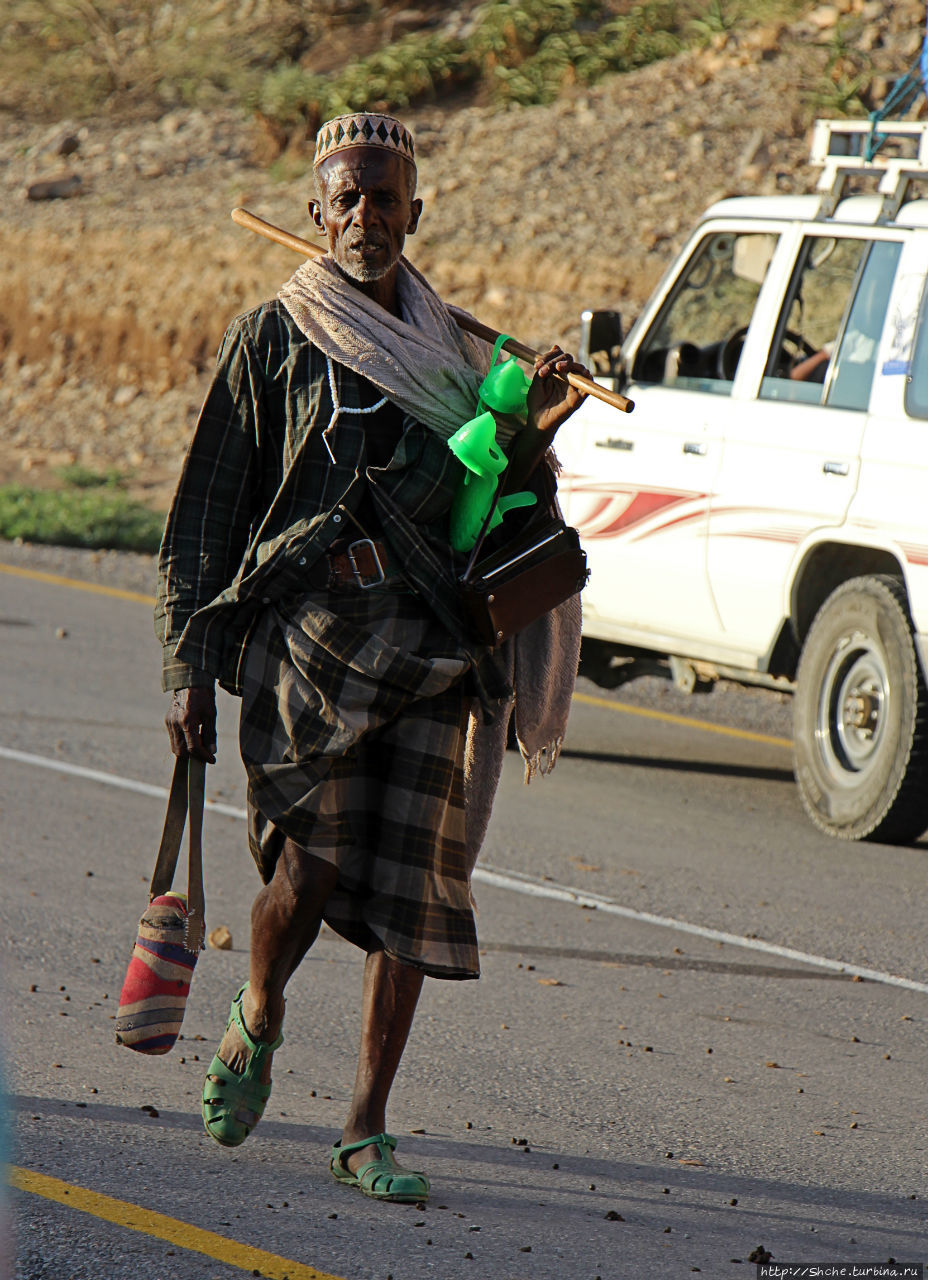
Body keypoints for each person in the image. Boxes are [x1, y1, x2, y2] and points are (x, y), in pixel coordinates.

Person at [155, 111, 589, 1204]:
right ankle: (259, 1009)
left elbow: (497, 492)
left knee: (414, 890)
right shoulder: (274, 337)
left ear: (416, 212)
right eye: (345, 198)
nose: (364, 216)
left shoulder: (457, 344)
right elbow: (206, 509)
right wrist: (185, 666)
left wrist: (540, 418)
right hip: (317, 648)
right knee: (311, 870)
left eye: (384, 198)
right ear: (316, 212)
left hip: (443, 649)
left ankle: (365, 1124)